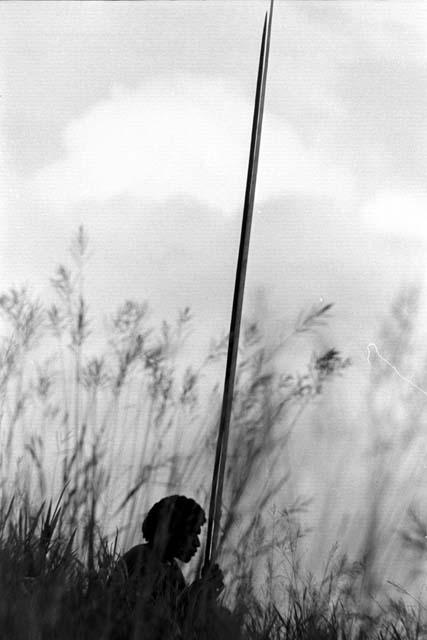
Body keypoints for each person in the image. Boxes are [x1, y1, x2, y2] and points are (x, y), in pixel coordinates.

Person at [110, 495, 232, 640]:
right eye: (193, 534)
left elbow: (179, 613)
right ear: (173, 530)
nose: (197, 543)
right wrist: (199, 591)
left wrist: (205, 591)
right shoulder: (144, 560)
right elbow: (161, 621)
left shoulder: (168, 566)